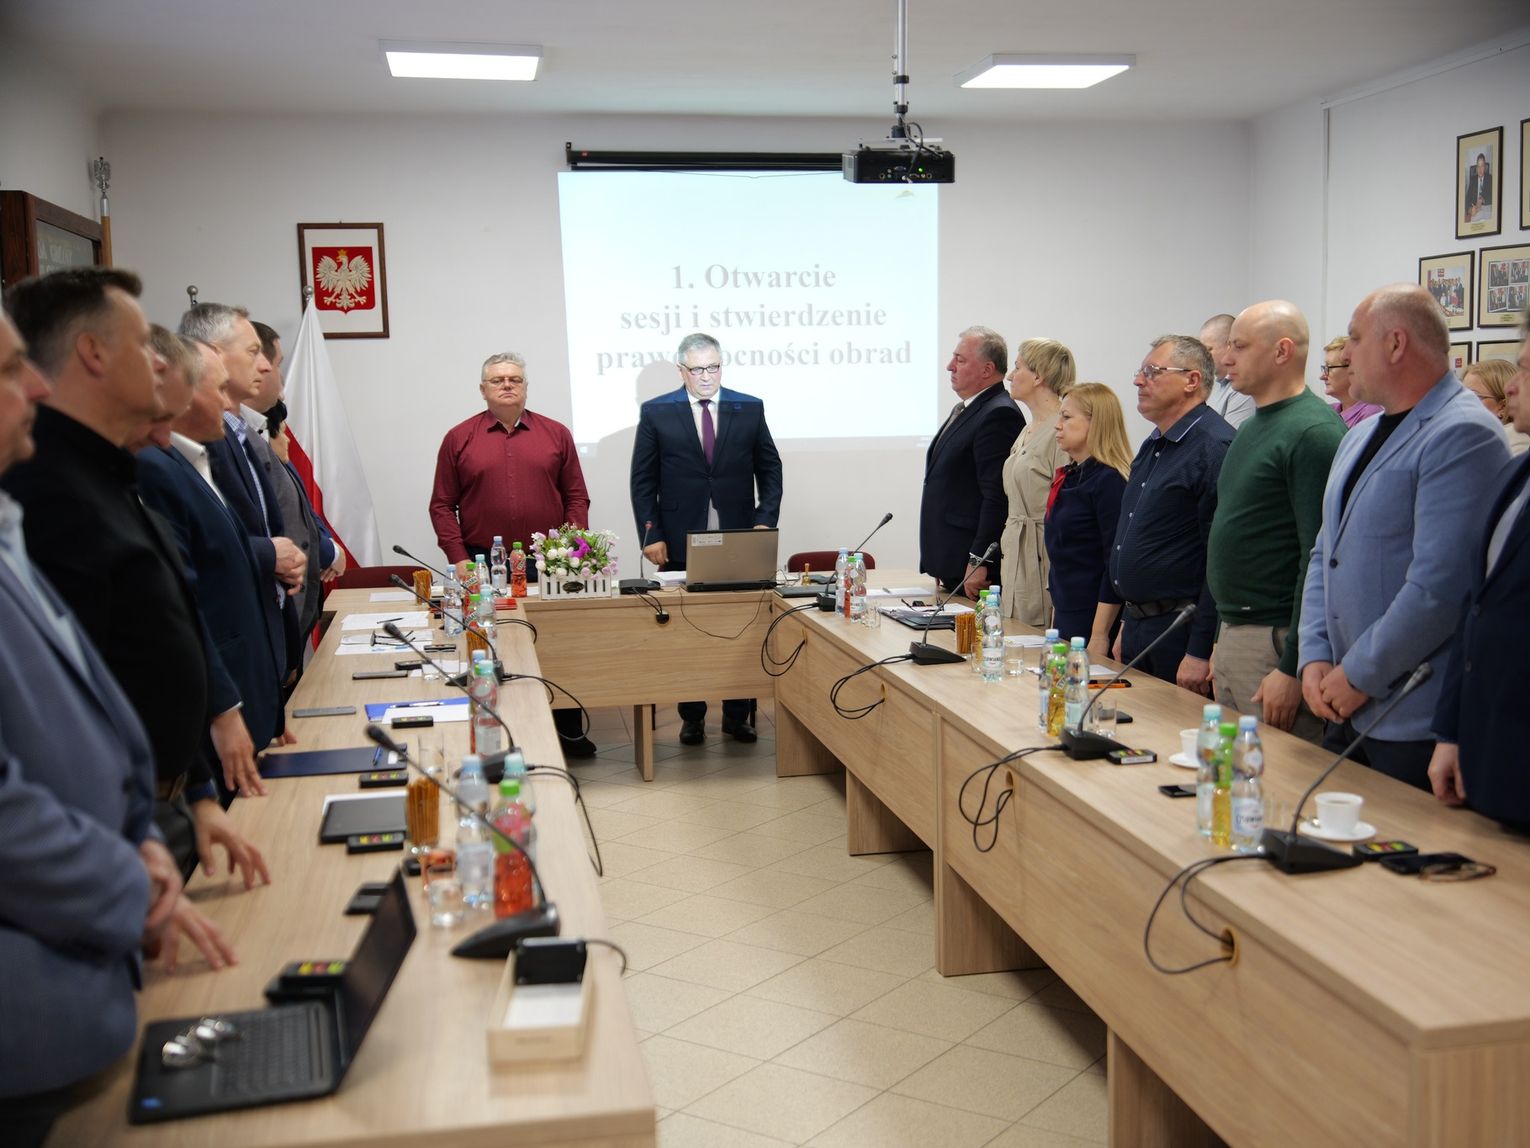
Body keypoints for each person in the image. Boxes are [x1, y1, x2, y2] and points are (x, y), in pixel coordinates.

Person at [0, 306, 196, 1147]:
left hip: (89, 950)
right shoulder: (47, 493)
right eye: (8, 371)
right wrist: (128, 881)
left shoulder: (17, 520)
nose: (34, 387)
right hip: (33, 1001)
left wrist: (137, 831)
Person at [1298, 284, 1508, 790]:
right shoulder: (1358, 436)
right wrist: (1314, 653)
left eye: (1354, 339)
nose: (1345, 355)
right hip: (1341, 698)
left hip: (1409, 711)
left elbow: (1440, 587)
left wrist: (1359, 675)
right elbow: (1326, 553)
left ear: (1395, 344)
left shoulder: (1463, 432)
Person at [137, 333, 287, 775]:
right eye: (219, 389)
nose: (228, 403)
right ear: (179, 391)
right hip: (213, 715)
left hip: (246, 700)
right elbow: (182, 601)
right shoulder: (156, 468)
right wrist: (225, 707)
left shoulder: (191, 460)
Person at [432, 352, 596, 755]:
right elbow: (442, 505)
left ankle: (568, 731)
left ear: (525, 386)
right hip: (482, 565)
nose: (507, 385)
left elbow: (576, 497)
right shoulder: (459, 438)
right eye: (498, 380)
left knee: (557, 646)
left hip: (550, 564)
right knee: (495, 648)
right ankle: (505, 733)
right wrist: (458, 558)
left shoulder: (556, 434)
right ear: (483, 389)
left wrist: (570, 549)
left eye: (515, 379)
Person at [630, 332, 783, 744]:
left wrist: (765, 521)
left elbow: (770, 469)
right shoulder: (657, 411)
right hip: (679, 535)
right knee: (688, 629)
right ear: (682, 370)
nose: (705, 376)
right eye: (697, 369)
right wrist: (650, 533)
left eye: (713, 367)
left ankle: (738, 715)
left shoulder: (749, 407)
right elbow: (643, 480)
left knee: (741, 624)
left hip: (739, 533)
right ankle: (692, 716)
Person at [1206, 301, 1344, 744]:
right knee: (1233, 770)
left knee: (1275, 775)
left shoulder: (1313, 432)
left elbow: (1318, 557)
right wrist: (1220, 638)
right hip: (1237, 633)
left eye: (1240, 347)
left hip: (1275, 640)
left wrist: (1292, 665)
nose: (1227, 359)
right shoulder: (1253, 426)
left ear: (1282, 351)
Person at [1428, 325, 1530, 827]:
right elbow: (1477, 605)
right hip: (1488, 745)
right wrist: (1451, 731)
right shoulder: (1515, 472)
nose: (1512, 386)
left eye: (1525, 371)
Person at [178, 303, 306, 682]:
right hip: (231, 650)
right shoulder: (195, 440)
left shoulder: (237, 432)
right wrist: (269, 553)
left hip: (265, 636)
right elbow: (199, 544)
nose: (265, 366)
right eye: (253, 352)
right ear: (215, 354)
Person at [1109, 335, 1233, 690]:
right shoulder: (1154, 444)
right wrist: (1127, 622)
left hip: (1180, 630)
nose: (1138, 381)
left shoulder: (1214, 447)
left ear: (1192, 380)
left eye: (1152, 371)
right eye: (1140, 372)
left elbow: (1218, 558)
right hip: (1140, 625)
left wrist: (1199, 650)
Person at [251, 319, 343, 643]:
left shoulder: (275, 458)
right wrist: (329, 553)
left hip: (296, 605)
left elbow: (305, 514)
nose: (288, 439)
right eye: (277, 364)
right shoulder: (248, 447)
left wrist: (329, 550)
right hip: (273, 604)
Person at [919, 325, 1025, 598]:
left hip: (971, 570)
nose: (950, 366)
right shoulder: (970, 408)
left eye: (960, 360)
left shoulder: (999, 414)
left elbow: (997, 496)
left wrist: (979, 560)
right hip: (951, 563)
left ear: (987, 369)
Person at [1043, 383, 1129, 656]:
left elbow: (1113, 563)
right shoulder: (1071, 475)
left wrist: (1100, 634)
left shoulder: (1110, 480)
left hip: (1094, 617)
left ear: (1097, 422)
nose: (1057, 425)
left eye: (1067, 417)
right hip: (1066, 610)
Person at [998, 337, 1073, 626]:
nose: (1009, 376)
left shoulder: (1061, 430)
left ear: (1039, 376)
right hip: (1016, 552)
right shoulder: (1027, 430)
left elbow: (1066, 507)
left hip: (1043, 557)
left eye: (1017, 367)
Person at [1461, 358, 1529, 455]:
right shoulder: (1479, 437)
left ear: (1503, 407)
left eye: (1473, 396)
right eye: (1461, 395)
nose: (1462, 403)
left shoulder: (1516, 443)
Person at [1200, 313, 1255, 430]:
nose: (1203, 356)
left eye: (1209, 349)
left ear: (1230, 345)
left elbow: (1232, 439)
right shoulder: (1213, 385)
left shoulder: (1244, 390)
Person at [1320, 335, 1381, 429]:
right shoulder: (1328, 411)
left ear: (1353, 369)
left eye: (1329, 368)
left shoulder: (1370, 415)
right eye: (1324, 368)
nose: (1322, 377)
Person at [1464, 152, 1492, 223]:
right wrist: (1470, 210)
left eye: (1482, 166)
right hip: (1476, 212)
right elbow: (1467, 199)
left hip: (1486, 210)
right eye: (1478, 166)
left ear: (1485, 167)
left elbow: (1494, 196)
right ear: (1476, 168)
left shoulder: (1490, 178)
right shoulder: (1473, 181)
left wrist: (1483, 200)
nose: (1480, 169)